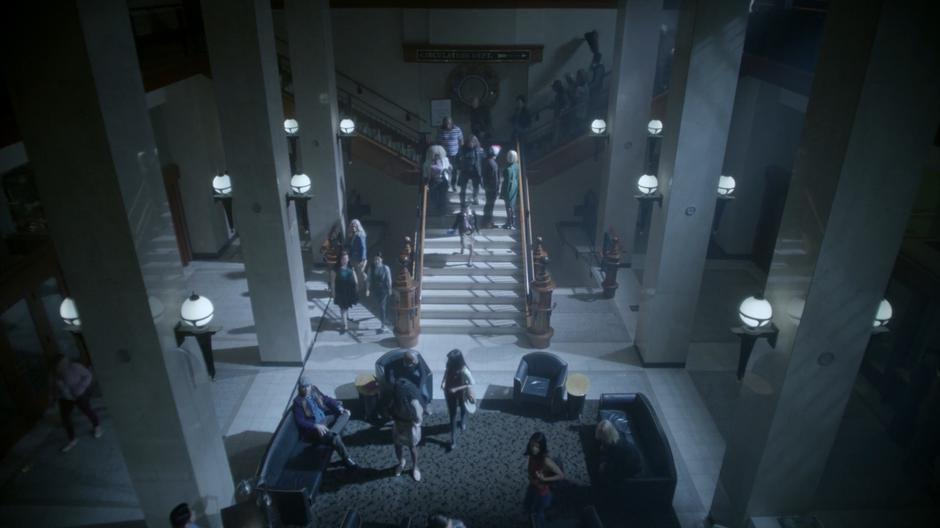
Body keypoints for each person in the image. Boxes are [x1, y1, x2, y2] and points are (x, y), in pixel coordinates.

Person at [291, 378, 358, 469]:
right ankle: (346, 458)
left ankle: (332, 432)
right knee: (335, 438)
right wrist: (315, 426)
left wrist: (338, 407)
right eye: (303, 387)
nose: (306, 389)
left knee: (345, 413)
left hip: (324, 418)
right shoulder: (298, 402)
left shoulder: (314, 390)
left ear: (311, 385)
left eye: (308, 386)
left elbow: (325, 399)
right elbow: (300, 421)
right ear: (300, 388)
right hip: (314, 428)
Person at [54, 354, 101, 453]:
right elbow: (53, 386)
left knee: (87, 411)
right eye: (59, 365)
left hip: (79, 394)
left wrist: (80, 387)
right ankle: (72, 439)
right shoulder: (55, 374)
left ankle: (97, 426)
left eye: (62, 363)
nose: (61, 366)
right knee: (65, 418)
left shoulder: (75, 367)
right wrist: (55, 395)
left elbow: (88, 375)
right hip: (65, 398)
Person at [524, 432, 564, 527]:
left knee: (538, 513)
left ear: (541, 447)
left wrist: (544, 478)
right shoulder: (532, 454)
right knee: (527, 504)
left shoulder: (545, 460)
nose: (534, 448)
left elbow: (561, 475)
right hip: (533, 485)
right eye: (532, 445)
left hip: (542, 492)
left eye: (537, 446)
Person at [390, 379, 424, 481]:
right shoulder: (394, 399)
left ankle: (415, 467)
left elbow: (419, 415)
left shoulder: (412, 401)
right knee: (397, 446)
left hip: (409, 427)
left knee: (412, 447)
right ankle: (401, 462)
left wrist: (417, 417)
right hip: (398, 425)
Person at [441, 349, 475, 450]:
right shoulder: (449, 365)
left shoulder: (464, 370)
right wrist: (443, 381)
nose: (448, 361)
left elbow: (471, 383)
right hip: (449, 392)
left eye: (450, 360)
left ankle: (463, 421)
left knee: (463, 407)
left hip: (461, 393)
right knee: (452, 415)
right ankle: (453, 439)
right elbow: (446, 372)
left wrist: (457, 388)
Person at [595, 419, 642, 487]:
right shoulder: (615, 437)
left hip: (630, 473)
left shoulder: (619, 448)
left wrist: (604, 466)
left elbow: (618, 467)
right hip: (624, 466)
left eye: (603, 439)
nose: (602, 441)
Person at [331, 251, 359, 333]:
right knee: (343, 307)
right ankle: (345, 325)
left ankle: (346, 317)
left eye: (346, 259)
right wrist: (333, 293)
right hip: (340, 291)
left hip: (349, 291)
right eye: (343, 259)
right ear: (340, 259)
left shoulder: (351, 267)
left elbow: (355, 278)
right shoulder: (335, 270)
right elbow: (332, 282)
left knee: (346, 306)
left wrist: (357, 288)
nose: (345, 260)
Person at [365, 252, 392, 333]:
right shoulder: (371, 268)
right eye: (375, 259)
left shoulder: (385, 268)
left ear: (381, 259)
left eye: (378, 259)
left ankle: (383, 325)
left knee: (382, 306)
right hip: (375, 289)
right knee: (378, 306)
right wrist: (367, 289)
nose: (376, 261)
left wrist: (390, 288)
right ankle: (384, 318)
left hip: (384, 289)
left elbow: (389, 279)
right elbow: (368, 279)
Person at [423, 145, 452, 215]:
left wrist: (448, 179)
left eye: (438, 155)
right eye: (435, 155)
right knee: (433, 197)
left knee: (442, 197)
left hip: (443, 181)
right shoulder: (428, 162)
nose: (437, 156)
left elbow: (449, 170)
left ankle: (442, 211)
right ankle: (433, 211)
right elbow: (426, 172)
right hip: (433, 181)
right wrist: (426, 181)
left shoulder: (445, 161)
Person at [437, 117, 464, 191]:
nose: (447, 126)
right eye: (446, 124)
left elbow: (461, 140)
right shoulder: (441, 130)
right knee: (445, 169)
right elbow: (439, 142)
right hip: (445, 154)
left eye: (448, 124)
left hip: (455, 153)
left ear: (451, 123)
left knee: (454, 170)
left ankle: (453, 184)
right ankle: (446, 184)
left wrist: (461, 151)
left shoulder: (457, 129)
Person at [458, 135, 484, 206]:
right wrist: (459, 166)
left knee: (476, 186)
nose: (471, 144)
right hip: (465, 170)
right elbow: (457, 158)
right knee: (463, 187)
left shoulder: (479, 150)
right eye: (470, 142)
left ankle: (475, 198)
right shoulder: (463, 149)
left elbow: (482, 160)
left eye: (473, 142)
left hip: (475, 171)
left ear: (475, 142)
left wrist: (482, 171)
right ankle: (462, 200)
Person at [500, 150, 520, 230]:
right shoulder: (517, 166)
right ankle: (511, 223)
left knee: (508, 207)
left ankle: (510, 223)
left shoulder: (508, 169)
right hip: (514, 187)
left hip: (509, 189)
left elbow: (507, 183)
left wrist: (504, 194)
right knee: (511, 207)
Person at [481, 146, 500, 228]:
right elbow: (495, 179)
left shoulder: (486, 161)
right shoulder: (493, 164)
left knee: (488, 205)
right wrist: (497, 189)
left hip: (488, 187)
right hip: (492, 188)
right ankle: (487, 222)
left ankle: (487, 221)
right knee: (490, 206)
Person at [346, 219, 367, 292]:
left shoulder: (360, 235)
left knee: (359, 275)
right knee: (356, 274)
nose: (353, 228)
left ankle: (362, 289)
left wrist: (362, 258)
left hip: (359, 258)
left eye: (354, 226)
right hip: (354, 258)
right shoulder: (354, 235)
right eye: (352, 226)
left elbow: (363, 247)